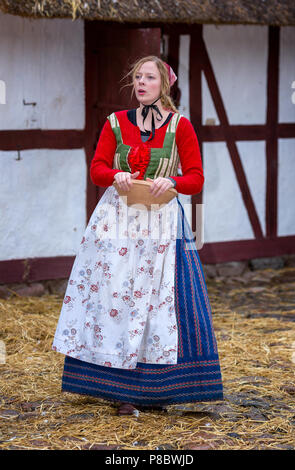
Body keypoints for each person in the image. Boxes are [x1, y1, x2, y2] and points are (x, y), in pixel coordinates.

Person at [52, 55, 224, 416]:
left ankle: (158, 391)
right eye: (137, 78)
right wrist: (115, 174)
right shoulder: (115, 123)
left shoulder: (181, 127)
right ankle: (118, 391)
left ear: (165, 84)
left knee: (161, 301)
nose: (141, 83)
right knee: (117, 297)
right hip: (118, 221)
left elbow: (196, 177)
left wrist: (173, 181)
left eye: (149, 77)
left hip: (162, 222)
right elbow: (97, 169)